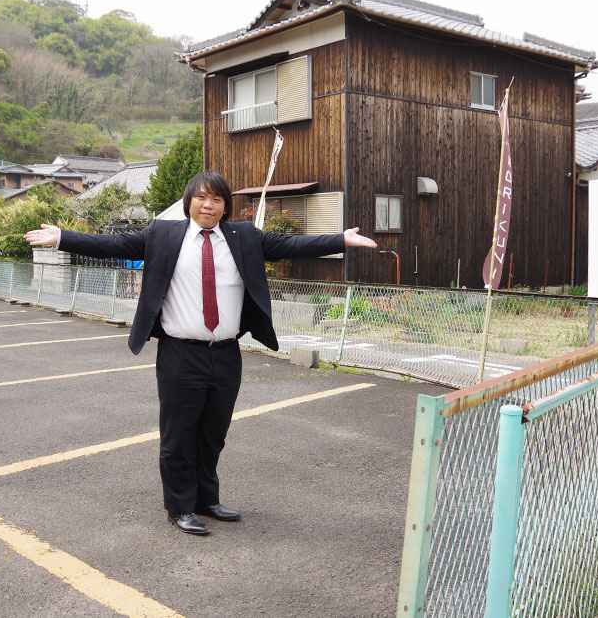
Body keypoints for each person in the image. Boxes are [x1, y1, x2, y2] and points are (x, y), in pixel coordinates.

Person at [25, 171, 377, 536]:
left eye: (217, 199)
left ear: (226, 206)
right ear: (188, 201)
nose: (208, 205)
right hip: (180, 354)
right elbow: (114, 244)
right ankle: (179, 506)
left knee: (214, 432)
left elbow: (289, 245)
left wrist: (341, 240)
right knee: (178, 434)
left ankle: (207, 499)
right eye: (201, 198)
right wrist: (62, 238)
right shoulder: (164, 235)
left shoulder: (243, 237)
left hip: (226, 354)